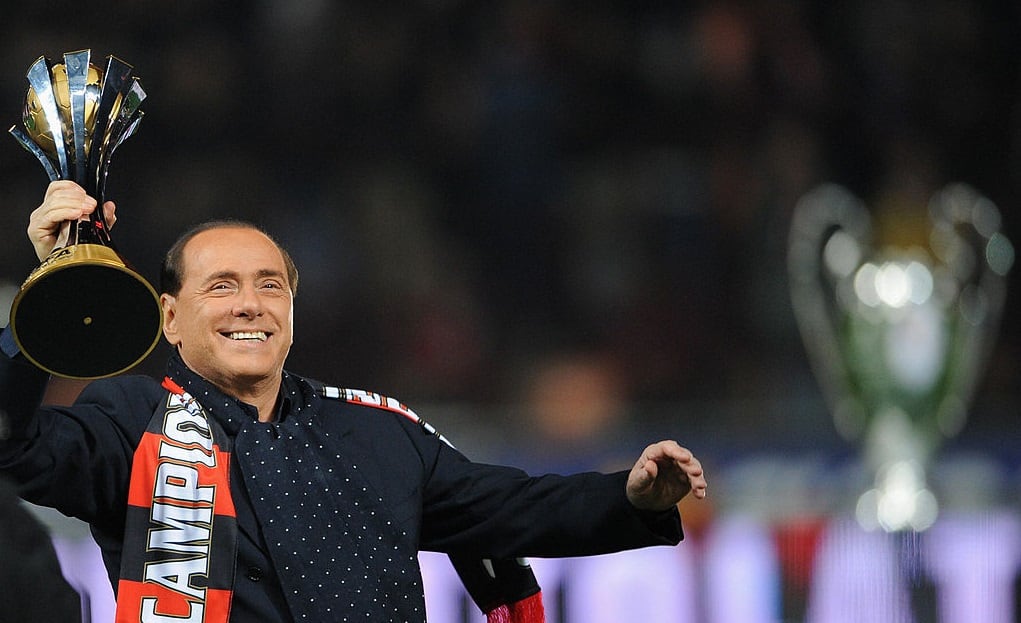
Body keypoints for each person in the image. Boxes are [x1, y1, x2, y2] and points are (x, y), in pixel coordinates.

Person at [0, 180, 708, 623]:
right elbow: (13, 446)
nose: (250, 303)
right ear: (169, 318)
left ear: (292, 309)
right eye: (220, 286)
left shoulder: (375, 431)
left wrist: (632, 497)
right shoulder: (130, 420)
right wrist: (48, 294)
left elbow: (512, 508)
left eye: (270, 284)